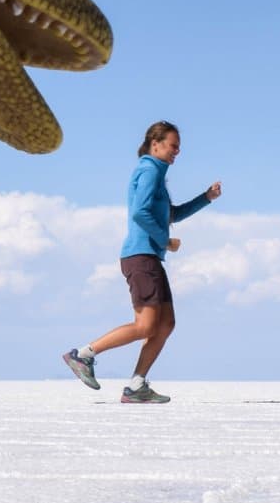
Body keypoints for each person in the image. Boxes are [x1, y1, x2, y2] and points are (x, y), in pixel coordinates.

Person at [62, 120, 222, 402]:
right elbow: (139, 213)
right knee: (146, 325)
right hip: (140, 257)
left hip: (149, 258)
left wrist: (206, 198)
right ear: (155, 144)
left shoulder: (156, 174)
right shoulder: (148, 170)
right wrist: (165, 241)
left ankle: (137, 385)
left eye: (179, 147)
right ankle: (83, 355)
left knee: (166, 324)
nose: (177, 152)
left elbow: (170, 214)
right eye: (173, 146)